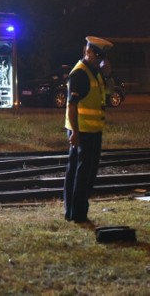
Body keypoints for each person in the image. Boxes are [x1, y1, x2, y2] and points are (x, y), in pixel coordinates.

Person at [64, 36, 113, 223]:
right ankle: (77, 213)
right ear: (88, 52)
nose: (102, 59)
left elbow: (108, 92)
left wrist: (108, 75)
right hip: (83, 131)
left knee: (82, 171)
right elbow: (71, 105)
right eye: (99, 55)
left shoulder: (95, 72)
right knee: (83, 173)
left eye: (104, 56)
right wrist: (75, 132)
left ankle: (74, 213)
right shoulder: (80, 74)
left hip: (92, 130)